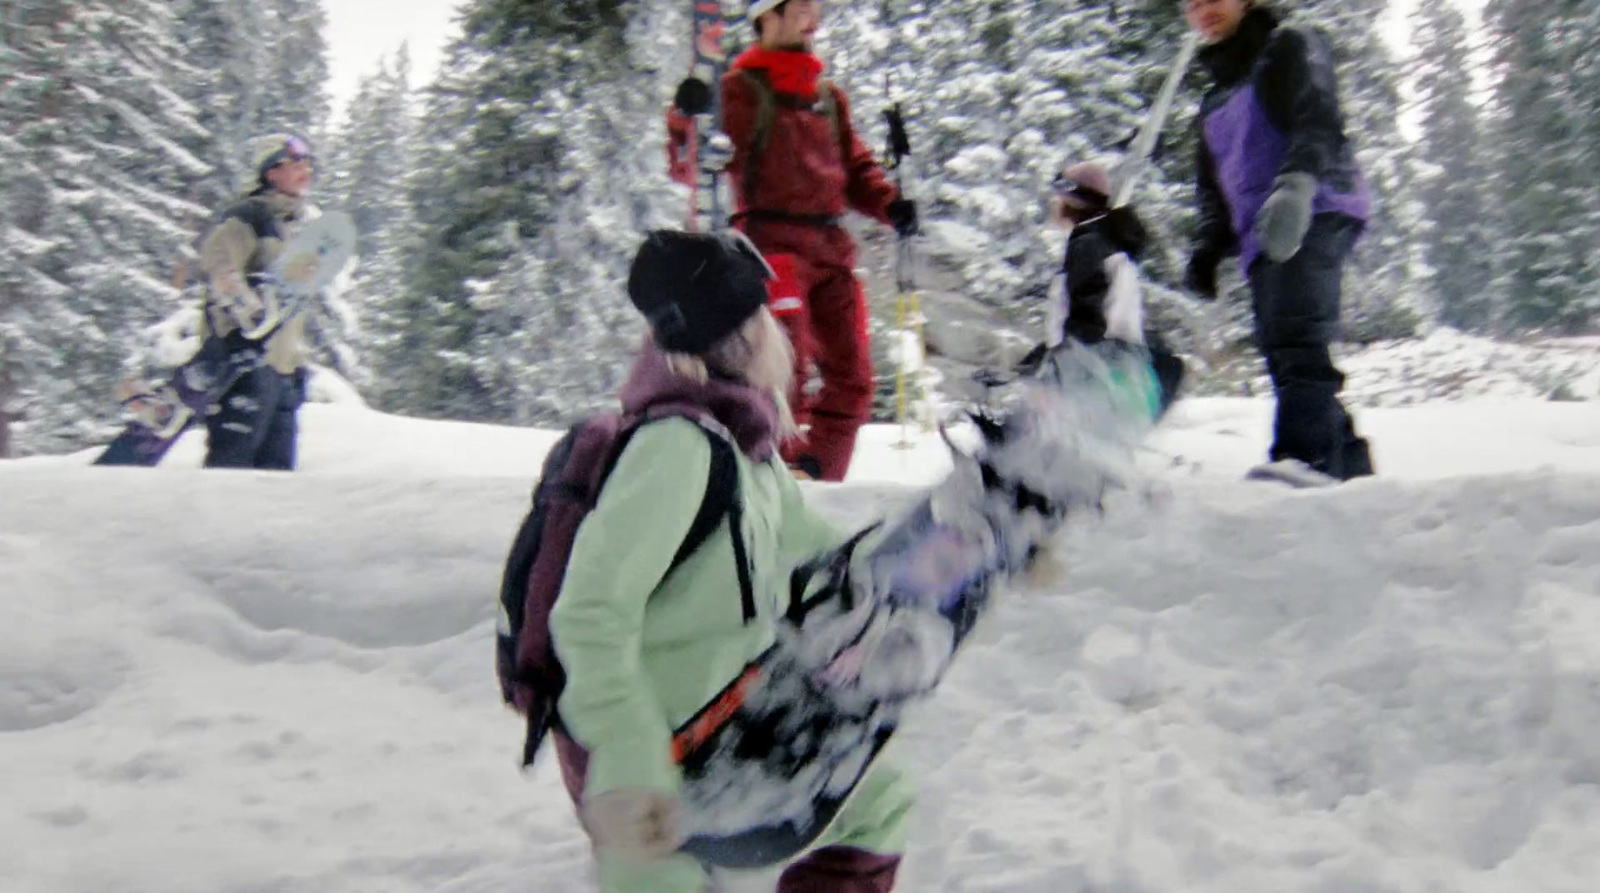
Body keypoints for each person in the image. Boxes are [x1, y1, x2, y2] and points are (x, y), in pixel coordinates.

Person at [548, 230, 915, 893]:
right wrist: (632, 762)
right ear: (748, 335)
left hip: (719, 733)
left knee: (879, 793)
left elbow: (824, 554)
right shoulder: (675, 449)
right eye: (769, 318)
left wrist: (951, 538)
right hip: (649, 772)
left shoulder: (746, 450)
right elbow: (588, 613)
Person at [719, 0, 919, 482]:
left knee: (852, 379)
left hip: (832, 252)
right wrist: (685, 118)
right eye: (803, 6)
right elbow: (695, 159)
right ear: (767, 14)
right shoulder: (738, 91)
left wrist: (890, 204)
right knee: (782, 375)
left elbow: (855, 170)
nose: (816, 17)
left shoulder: (828, 97)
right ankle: (773, 476)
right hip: (770, 248)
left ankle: (818, 478)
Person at [1182, 0, 1374, 481]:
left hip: (1315, 207)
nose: (1203, 9)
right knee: (1283, 349)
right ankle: (1352, 475)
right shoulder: (1213, 99)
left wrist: (1296, 186)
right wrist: (1210, 246)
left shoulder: (1288, 44)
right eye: (1192, 2)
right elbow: (1214, 186)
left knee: (1296, 340)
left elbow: (1319, 118)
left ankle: (1302, 462)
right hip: (1259, 234)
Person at [194, 133, 316, 470]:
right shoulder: (248, 216)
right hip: (243, 368)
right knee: (231, 472)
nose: (307, 170)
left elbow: (290, 309)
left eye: (308, 164)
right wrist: (249, 313)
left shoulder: (288, 228)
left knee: (273, 487)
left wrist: (297, 363)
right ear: (272, 171)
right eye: (297, 163)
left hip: (282, 375)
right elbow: (220, 267)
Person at [1017, 159, 1184, 402]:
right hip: (1115, 358)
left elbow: (1088, 311)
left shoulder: (1088, 245)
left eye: (1059, 197)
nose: (1054, 203)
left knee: (1035, 384)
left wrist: (1061, 363)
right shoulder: (1106, 242)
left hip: (1096, 363)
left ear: (1074, 202)